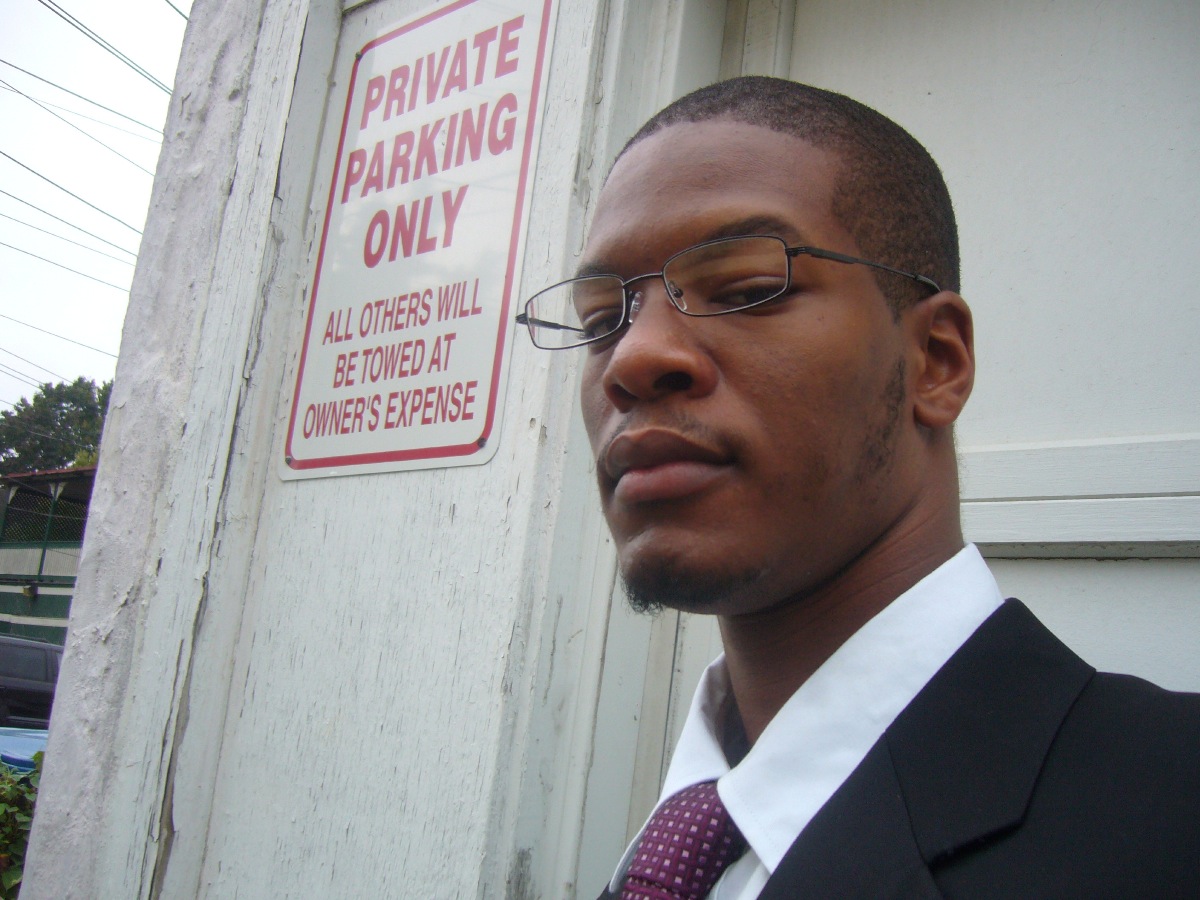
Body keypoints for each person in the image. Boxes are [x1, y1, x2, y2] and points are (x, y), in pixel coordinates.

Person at [517, 76, 1200, 898]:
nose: (630, 360)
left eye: (746, 290)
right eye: (601, 321)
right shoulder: (674, 850)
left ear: (935, 362)